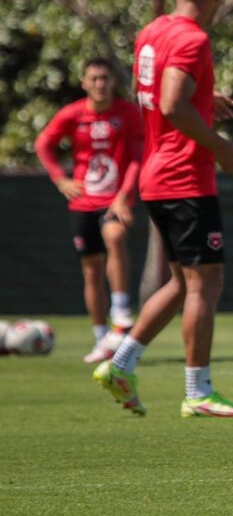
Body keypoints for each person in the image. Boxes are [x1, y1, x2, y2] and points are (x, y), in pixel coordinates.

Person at [92, 0, 233, 417]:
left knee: (183, 283)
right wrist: (222, 146)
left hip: (155, 175)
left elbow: (162, 92)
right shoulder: (193, 38)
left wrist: (206, 98)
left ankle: (120, 363)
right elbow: (170, 105)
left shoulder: (153, 31)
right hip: (186, 176)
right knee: (207, 282)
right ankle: (198, 391)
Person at [35, 57, 142, 363]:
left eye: (105, 78)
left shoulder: (127, 113)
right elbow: (44, 144)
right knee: (92, 270)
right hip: (83, 202)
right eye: (93, 78)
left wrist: (124, 195)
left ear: (112, 82)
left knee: (116, 237)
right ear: (84, 82)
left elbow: (137, 157)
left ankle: (121, 312)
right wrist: (60, 179)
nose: (100, 84)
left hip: (114, 200)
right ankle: (100, 338)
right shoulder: (73, 114)